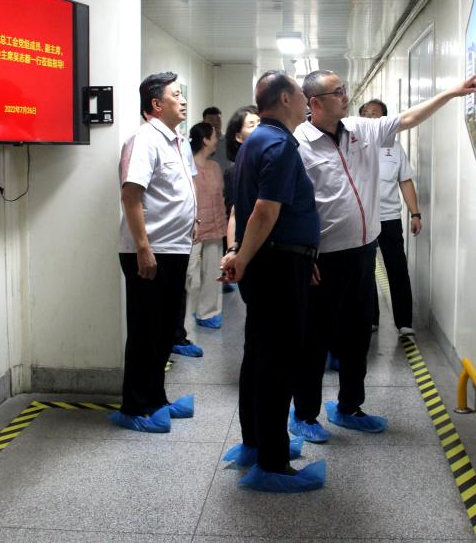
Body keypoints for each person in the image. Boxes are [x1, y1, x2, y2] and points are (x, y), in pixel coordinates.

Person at [289, 69, 476, 442]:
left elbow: (408, 118)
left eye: (344, 89)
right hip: (322, 259)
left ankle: (349, 407)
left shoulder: (361, 129)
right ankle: (305, 414)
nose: (345, 96)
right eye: (337, 92)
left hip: (363, 252)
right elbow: (293, 204)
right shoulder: (299, 144)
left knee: (357, 336)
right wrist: (303, 255)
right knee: (315, 340)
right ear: (315, 103)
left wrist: (451, 92)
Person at [219, 71, 326, 493]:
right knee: (278, 364)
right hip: (276, 266)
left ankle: (256, 442)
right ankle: (273, 463)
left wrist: (297, 255)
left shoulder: (256, 141)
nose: (306, 101)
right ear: (284, 99)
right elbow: (264, 211)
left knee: (259, 357)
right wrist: (242, 259)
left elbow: (255, 212)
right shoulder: (280, 145)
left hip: (276, 261)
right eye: (301, 94)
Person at [112, 72, 198, 434]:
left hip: (174, 248)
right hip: (150, 251)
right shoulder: (144, 140)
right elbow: (131, 195)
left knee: (164, 332)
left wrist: (192, 220)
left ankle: (156, 398)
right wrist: (143, 248)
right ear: (156, 104)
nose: (183, 100)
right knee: (146, 330)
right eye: (176, 95)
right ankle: (134, 407)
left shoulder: (177, 140)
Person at [358, 98, 418, 339]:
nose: (371, 117)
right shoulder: (353, 145)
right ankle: (370, 318)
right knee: (365, 271)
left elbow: (405, 181)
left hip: (389, 217)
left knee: (397, 269)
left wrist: (415, 213)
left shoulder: (395, 148)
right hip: (362, 219)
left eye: (376, 114)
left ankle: (404, 322)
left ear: (385, 120)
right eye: (367, 113)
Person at [186, 122, 227, 329]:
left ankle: (208, 312)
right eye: (213, 136)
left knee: (213, 273)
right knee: (188, 273)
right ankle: (180, 317)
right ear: (204, 140)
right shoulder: (188, 166)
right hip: (192, 229)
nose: (216, 140)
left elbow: (220, 197)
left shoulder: (215, 167)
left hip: (215, 226)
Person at [220, 105, 260, 294]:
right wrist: (232, 250)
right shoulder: (234, 172)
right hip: (249, 248)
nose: (259, 128)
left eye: (260, 122)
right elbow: (234, 214)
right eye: (252, 125)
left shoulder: (276, 160)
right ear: (239, 137)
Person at [203, 106, 229, 171]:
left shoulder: (229, 140)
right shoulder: (199, 142)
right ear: (204, 122)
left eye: (218, 119)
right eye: (211, 120)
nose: (215, 123)